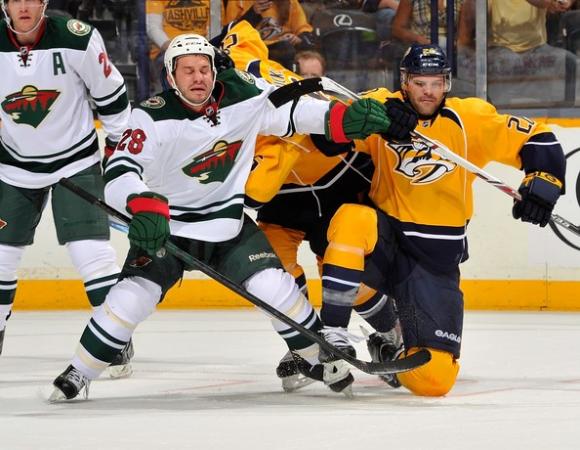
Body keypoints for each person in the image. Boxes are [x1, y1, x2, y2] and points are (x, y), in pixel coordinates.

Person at [48, 33, 415, 401]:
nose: (198, 78)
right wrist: (142, 204)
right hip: (169, 228)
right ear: (171, 77)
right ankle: (79, 372)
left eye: (204, 69)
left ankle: (316, 359)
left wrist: (342, 118)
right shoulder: (150, 115)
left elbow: (292, 113)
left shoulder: (242, 94)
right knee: (131, 298)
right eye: (188, 70)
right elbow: (120, 172)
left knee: (274, 288)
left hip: (227, 224)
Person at [313, 43, 566, 395]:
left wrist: (544, 179)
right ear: (404, 81)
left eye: (436, 83)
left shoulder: (470, 118)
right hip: (385, 241)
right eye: (419, 83)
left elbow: (537, 136)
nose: (428, 91)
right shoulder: (381, 104)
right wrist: (377, 117)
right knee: (350, 220)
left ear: (447, 83)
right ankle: (335, 336)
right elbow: (325, 129)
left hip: (434, 261)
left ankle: (395, 342)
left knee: (434, 381)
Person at [0, 0, 132, 376]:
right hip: (14, 165)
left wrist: (121, 157)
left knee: (90, 252)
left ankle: (114, 337)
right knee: (0, 257)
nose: (23, 6)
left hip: (76, 161)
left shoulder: (78, 39)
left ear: (43, 2)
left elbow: (112, 96)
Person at [146, 0, 225, 91]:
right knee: (169, 65)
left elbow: (217, 29)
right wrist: (175, 48)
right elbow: (152, 28)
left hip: (202, 47)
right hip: (168, 49)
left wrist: (204, 48)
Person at [225, 0, 316, 69]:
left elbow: (304, 30)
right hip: (250, 51)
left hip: (283, 50)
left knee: (286, 48)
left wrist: (297, 38)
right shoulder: (237, 2)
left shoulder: (290, 2)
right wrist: (252, 13)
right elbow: (230, 33)